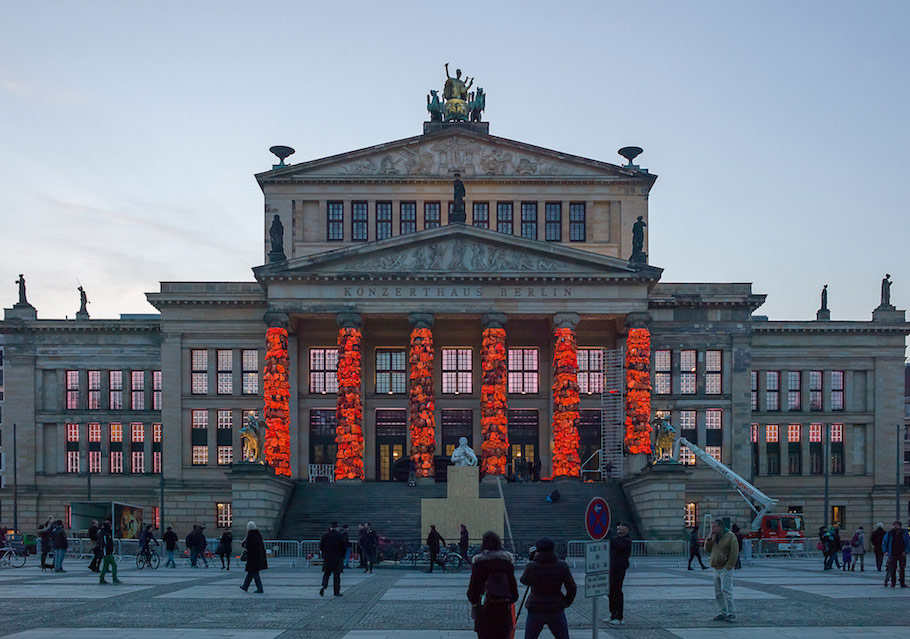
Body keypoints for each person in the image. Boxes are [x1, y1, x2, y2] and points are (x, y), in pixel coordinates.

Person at [520, 536, 576, 638]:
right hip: (555, 606)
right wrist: (566, 601)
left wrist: (532, 560)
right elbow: (572, 587)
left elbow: (524, 580)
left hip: (536, 606)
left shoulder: (532, 566)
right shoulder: (562, 566)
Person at [467, 531, 518, 639]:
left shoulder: (479, 563)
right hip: (503, 610)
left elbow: (472, 592)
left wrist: (476, 601)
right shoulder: (507, 563)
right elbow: (514, 592)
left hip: (485, 610)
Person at [704, 519, 739, 622]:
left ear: (720, 527)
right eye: (712, 527)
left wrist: (729, 565)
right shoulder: (714, 537)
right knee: (718, 592)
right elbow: (707, 549)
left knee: (726, 590)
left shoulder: (730, 536)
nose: (712, 529)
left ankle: (731, 612)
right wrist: (709, 540)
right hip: (716, 567)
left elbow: (734, 552)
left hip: (725, 568)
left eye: (714, 527)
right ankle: (723, 612)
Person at [607, 522, 633, 625]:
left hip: (619, 568)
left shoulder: (627, 541)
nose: (619, 527)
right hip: (612, 568)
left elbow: (618, 546)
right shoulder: (617, 538)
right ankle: (613, 614)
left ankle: (619, 616)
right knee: (611, 592)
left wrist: (609, 534)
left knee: (617, 591)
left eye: (622, 526)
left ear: (627, 529)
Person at [319, 521, 345, 597]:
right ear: (337, 527)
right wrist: (342, 556)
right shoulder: (340, 536)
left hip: (328, 558)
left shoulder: (325, 536)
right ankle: (336, 591)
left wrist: (325, 554)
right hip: (337, 559)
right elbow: (343, 548)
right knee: (337, 576)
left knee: (326, 574)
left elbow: (321, 546)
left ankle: (324, 586)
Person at [240, 521, 267, 593]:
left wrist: (244, 543)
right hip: (257, 557)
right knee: (250, 572)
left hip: (253, 558)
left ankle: (260, 589)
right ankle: (245, 586)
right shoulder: (258, 534)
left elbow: (248, 546)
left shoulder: (250, 535)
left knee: (254, 573)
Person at [882, 519, 909, 588]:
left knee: (902, 569)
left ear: (900, 526)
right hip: (893, 553)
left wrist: (906, 551)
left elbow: (908, 542)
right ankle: (893, 582)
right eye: (895, 525)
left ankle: (902, 583)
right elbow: (884, 542)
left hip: (901, 553)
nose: (896, 526)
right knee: (893, 568)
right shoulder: (890, 533)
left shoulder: (904, 533)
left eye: (897, 525)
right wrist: (885, 551)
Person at [98, 520, 121, 585]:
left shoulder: (105, 532)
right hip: (107, 552)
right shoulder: (104, 533)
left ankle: (102, 579)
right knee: (114, 565)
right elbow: (105, 543)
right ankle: (114, 578)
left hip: (107, 552)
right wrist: (109, 549)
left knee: (105, 566)